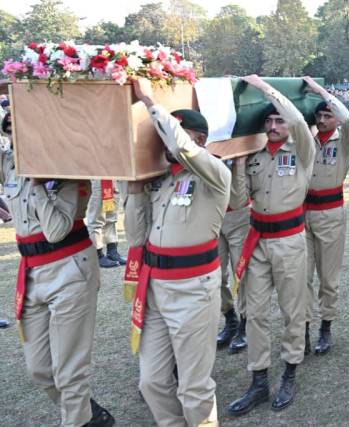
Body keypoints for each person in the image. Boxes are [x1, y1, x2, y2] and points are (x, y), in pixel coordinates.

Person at [124, 78, 230, 426]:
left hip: (193, 290)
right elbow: (137, 237)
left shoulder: (216, 173)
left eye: (175, 135)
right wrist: (136, 192)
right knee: (151, 381)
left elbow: (184, 150)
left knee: (194, 387)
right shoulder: (163, 179)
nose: (166, 144)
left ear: (199, 138)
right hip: (156, 289)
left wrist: (150, 103)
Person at [1, 101, 114, 427]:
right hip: (33, 272)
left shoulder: (70, 173)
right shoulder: (10, 163)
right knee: (40, 369)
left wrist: (37, 185)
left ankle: (79, 420)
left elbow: (55, 231)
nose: (15, 141)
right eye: (11, 131)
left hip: (70, 270)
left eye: (21, 132)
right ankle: (89, 415)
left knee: (69, 371)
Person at [228, 75, 315, 415]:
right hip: (258, 240)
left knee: (293, 310)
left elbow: (295, 119)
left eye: (279, 120)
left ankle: (290, 371)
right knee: (255, 311)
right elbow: (238, 198)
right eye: (269, 120)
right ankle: (259, 380)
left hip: (289, 240)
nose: (275, 125)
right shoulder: (255, 156)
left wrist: (265, 89)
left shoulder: (303, 149)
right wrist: (237, 161)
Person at [303, 77, 349, 355]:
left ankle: (326, 325)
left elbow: (348, 119)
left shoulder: (344, 141)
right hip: (302, 215)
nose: (323, 119)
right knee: (303, 277)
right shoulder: (306, 140)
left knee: (328, 277)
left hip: (330, 214)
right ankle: (304, 329)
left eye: (328, 115)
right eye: (320, 115)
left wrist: (321, 92)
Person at [215, 161, 251, 354]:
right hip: (212, 213)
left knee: (242, 272)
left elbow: (239, 197)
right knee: (215, 275)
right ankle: (230, 318)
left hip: (239, 213)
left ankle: (245, 322)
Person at [86, 180, 126, 268]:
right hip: (99, 176)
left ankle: (112, 251)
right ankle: (98, 255)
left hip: (113, 176)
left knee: (111, 217)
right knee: (97, 219)